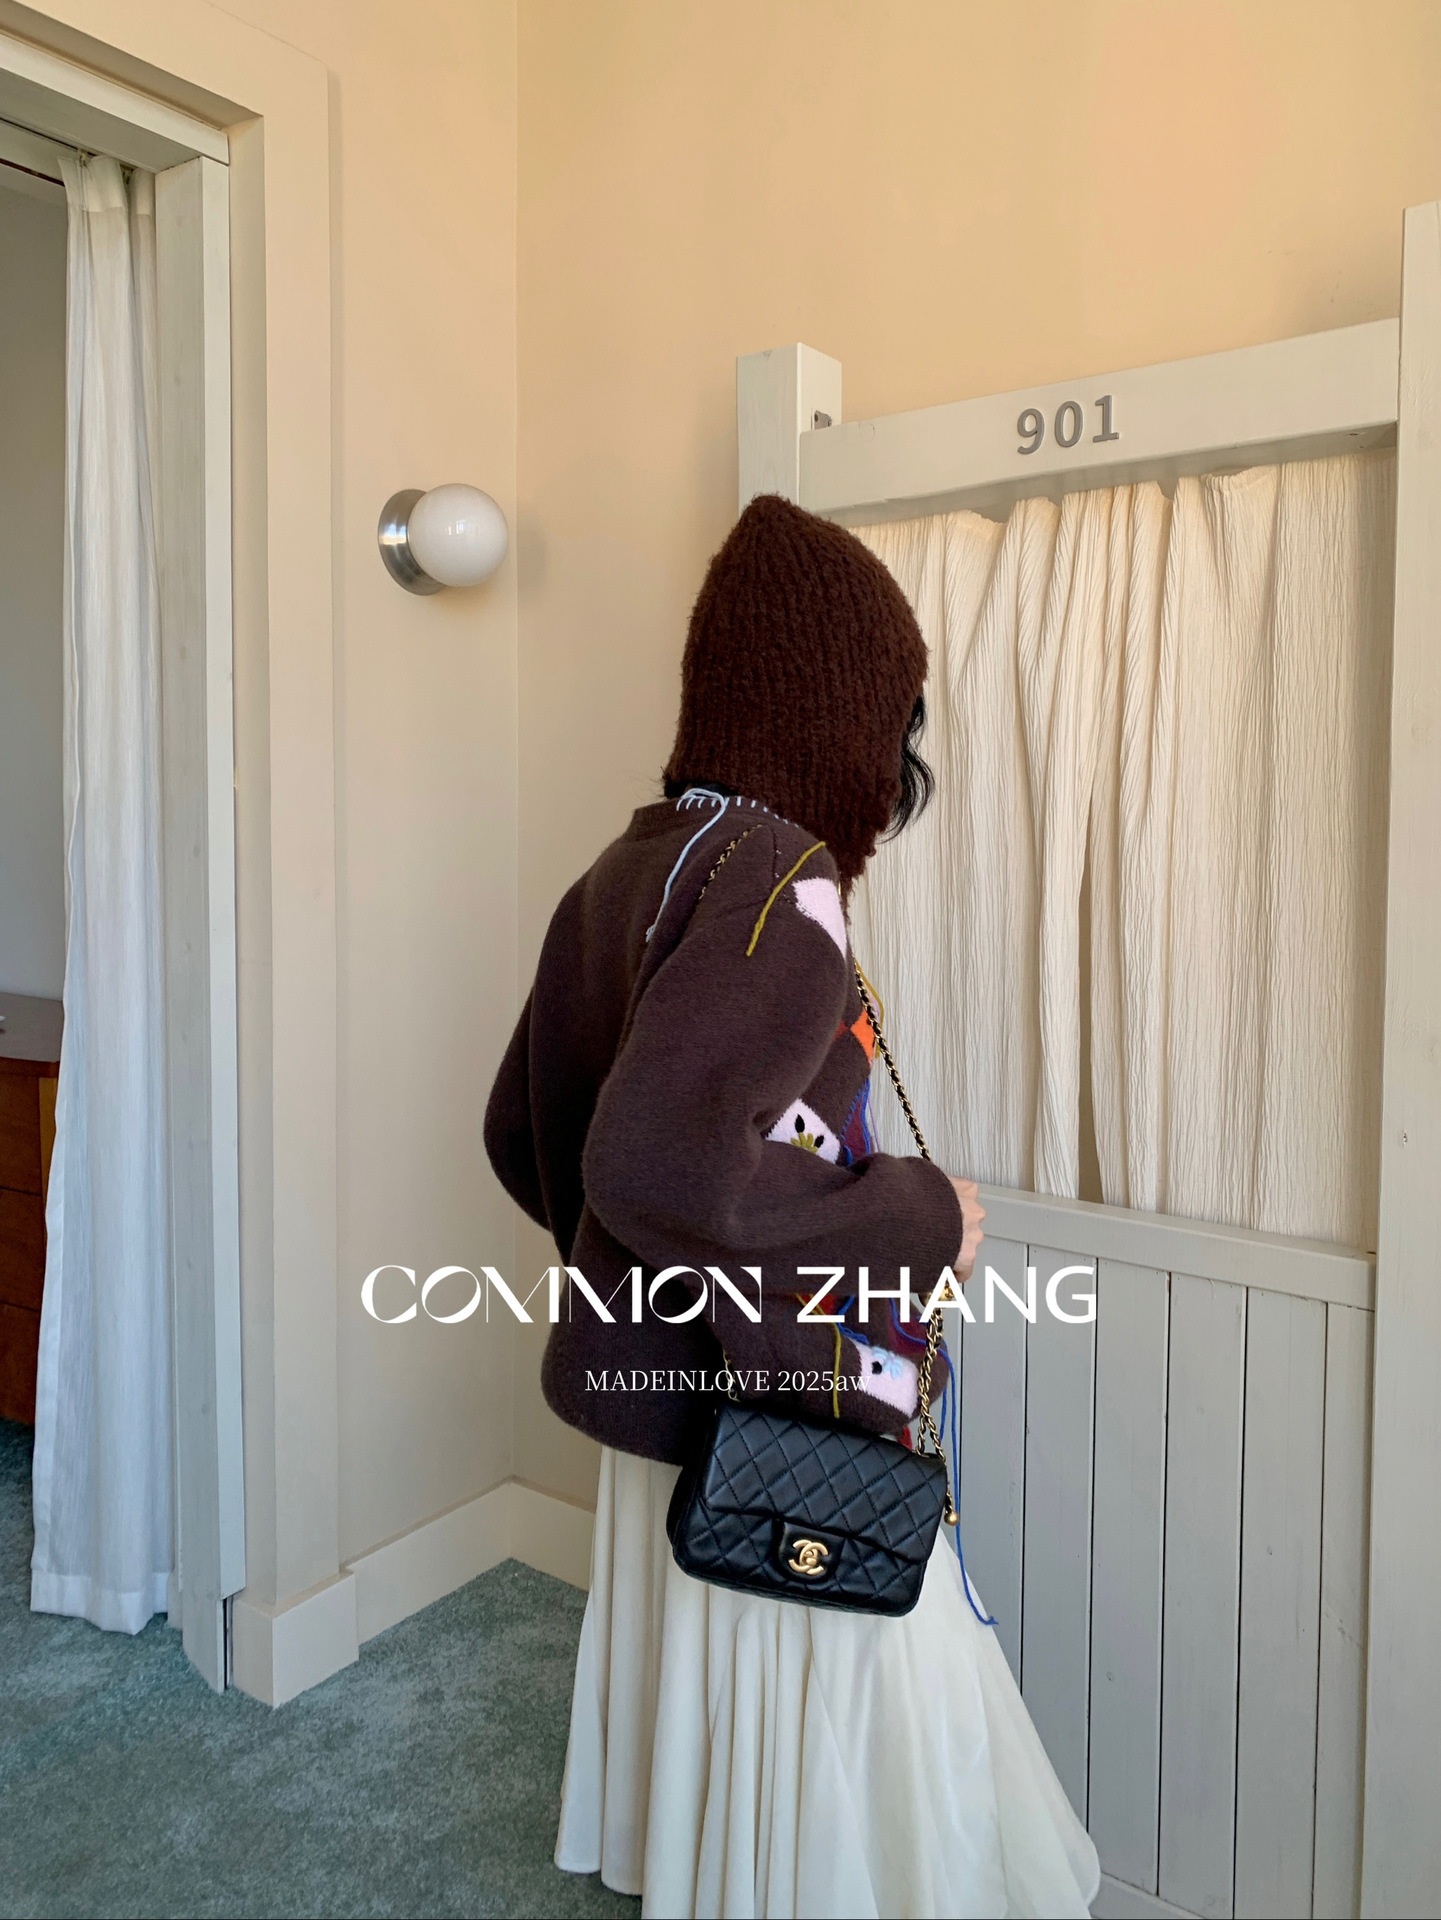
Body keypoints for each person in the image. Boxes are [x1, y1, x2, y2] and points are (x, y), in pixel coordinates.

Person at [485, 495, 1101, 1918]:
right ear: (831, 705)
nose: (895, 773)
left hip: (663, 1413)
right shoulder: (777, 880)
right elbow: (655, 1171)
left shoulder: (621, 869)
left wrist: (645, 1284)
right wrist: (917, 1220)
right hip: (775, 1410)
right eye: (893, 723)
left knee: (739, 1729)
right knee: (887, 1733)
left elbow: (527, 1136)